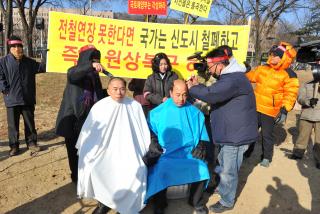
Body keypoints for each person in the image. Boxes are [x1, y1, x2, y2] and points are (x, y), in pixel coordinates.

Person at [187, 47, 258, 213]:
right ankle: (223, 187)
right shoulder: (232, 76)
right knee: (224, 163)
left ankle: (227, 201)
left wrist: (193, 87)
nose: (211, 72)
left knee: (229, 169)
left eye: (211, 68)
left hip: (235, 135)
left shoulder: (232, 79)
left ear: (220, 64)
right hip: (230, 131)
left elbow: (212, 94)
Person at [76, 77, 150, 214]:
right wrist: (87, 150)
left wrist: (144, 149)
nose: (119, 92)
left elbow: (142, 131)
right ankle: (104, 202)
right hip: (104, 151)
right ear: (108, 90)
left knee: (136, 170)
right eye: (115, 89)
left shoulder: (134, 106)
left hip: (130, 151)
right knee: (97, 167)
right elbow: (90, 134)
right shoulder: (99, 106)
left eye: (122, 89)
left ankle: (129, 205)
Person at [144, 79, 210, 214]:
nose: (181, 98)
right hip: (166, 153)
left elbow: (202, 132)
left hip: (188, 153)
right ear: (170, 92)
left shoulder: (194, 111)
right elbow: (150, 131)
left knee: (202, 168)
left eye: (185, 94)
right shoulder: (157, 112)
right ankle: (160, 204)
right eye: (178, 94)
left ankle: (195, 200)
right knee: (160, 171)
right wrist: (154, 142)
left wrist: (200, 146)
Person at [55, 44, 106, 183]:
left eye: (97, 59)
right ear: (85, 59)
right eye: (92, 58)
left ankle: (87, 176)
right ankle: (76, 177)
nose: (96, 62)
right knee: (73, 151)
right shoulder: (74, 71)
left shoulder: (94, 77)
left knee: (89, 150)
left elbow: (98, 94)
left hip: (89, 120)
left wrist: (113, 92)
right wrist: (91, 65)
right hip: (73, 120)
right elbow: (73, 75)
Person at [246, 42, 299, 167]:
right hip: (255, 106)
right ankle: (247, 151)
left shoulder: (289, 74)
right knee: (250, 132)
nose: (273, 57)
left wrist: (285, 110)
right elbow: (250, 77)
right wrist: (246, 70)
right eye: (272, 55)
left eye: (276, 56)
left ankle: (266, 157)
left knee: (266, 135)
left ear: (283, 58)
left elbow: (290, 94)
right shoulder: (263, 68)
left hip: (270, 111)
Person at [0, 35, 46, 156]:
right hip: (12, 99)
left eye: (19, 46)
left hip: (27, 98)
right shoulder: (3, 61)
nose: (17, 48)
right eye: (14, 46)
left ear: (22, 47)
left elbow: (42, 68)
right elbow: (0, 77)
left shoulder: (29, 62)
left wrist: (45, 56)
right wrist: (4, 89)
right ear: (10, 48)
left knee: (30, 123)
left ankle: (31, 143)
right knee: (12, 125)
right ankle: (14, 146)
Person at [289, 80, 320, 169]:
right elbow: (300, 98)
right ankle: (298, 153)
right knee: (303, 136)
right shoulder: (306, 84)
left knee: (319, 140)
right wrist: (308, 101)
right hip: (307, 114)